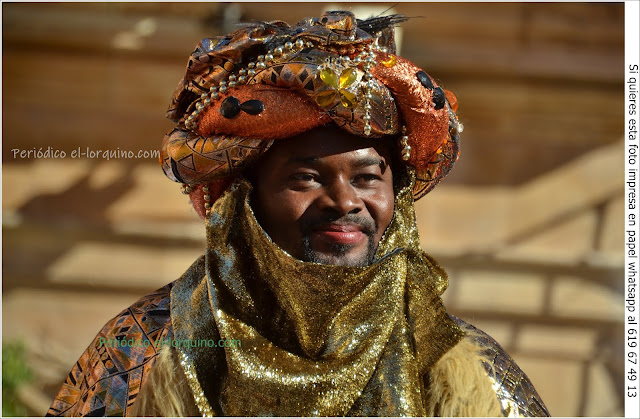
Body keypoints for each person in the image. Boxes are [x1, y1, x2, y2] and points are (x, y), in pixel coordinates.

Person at [47, 11, 549, 417]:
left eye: (367, 178)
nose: (345, 202)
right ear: (243, 198)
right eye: (306, 178)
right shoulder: (148, 344)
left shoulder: (462, 369)